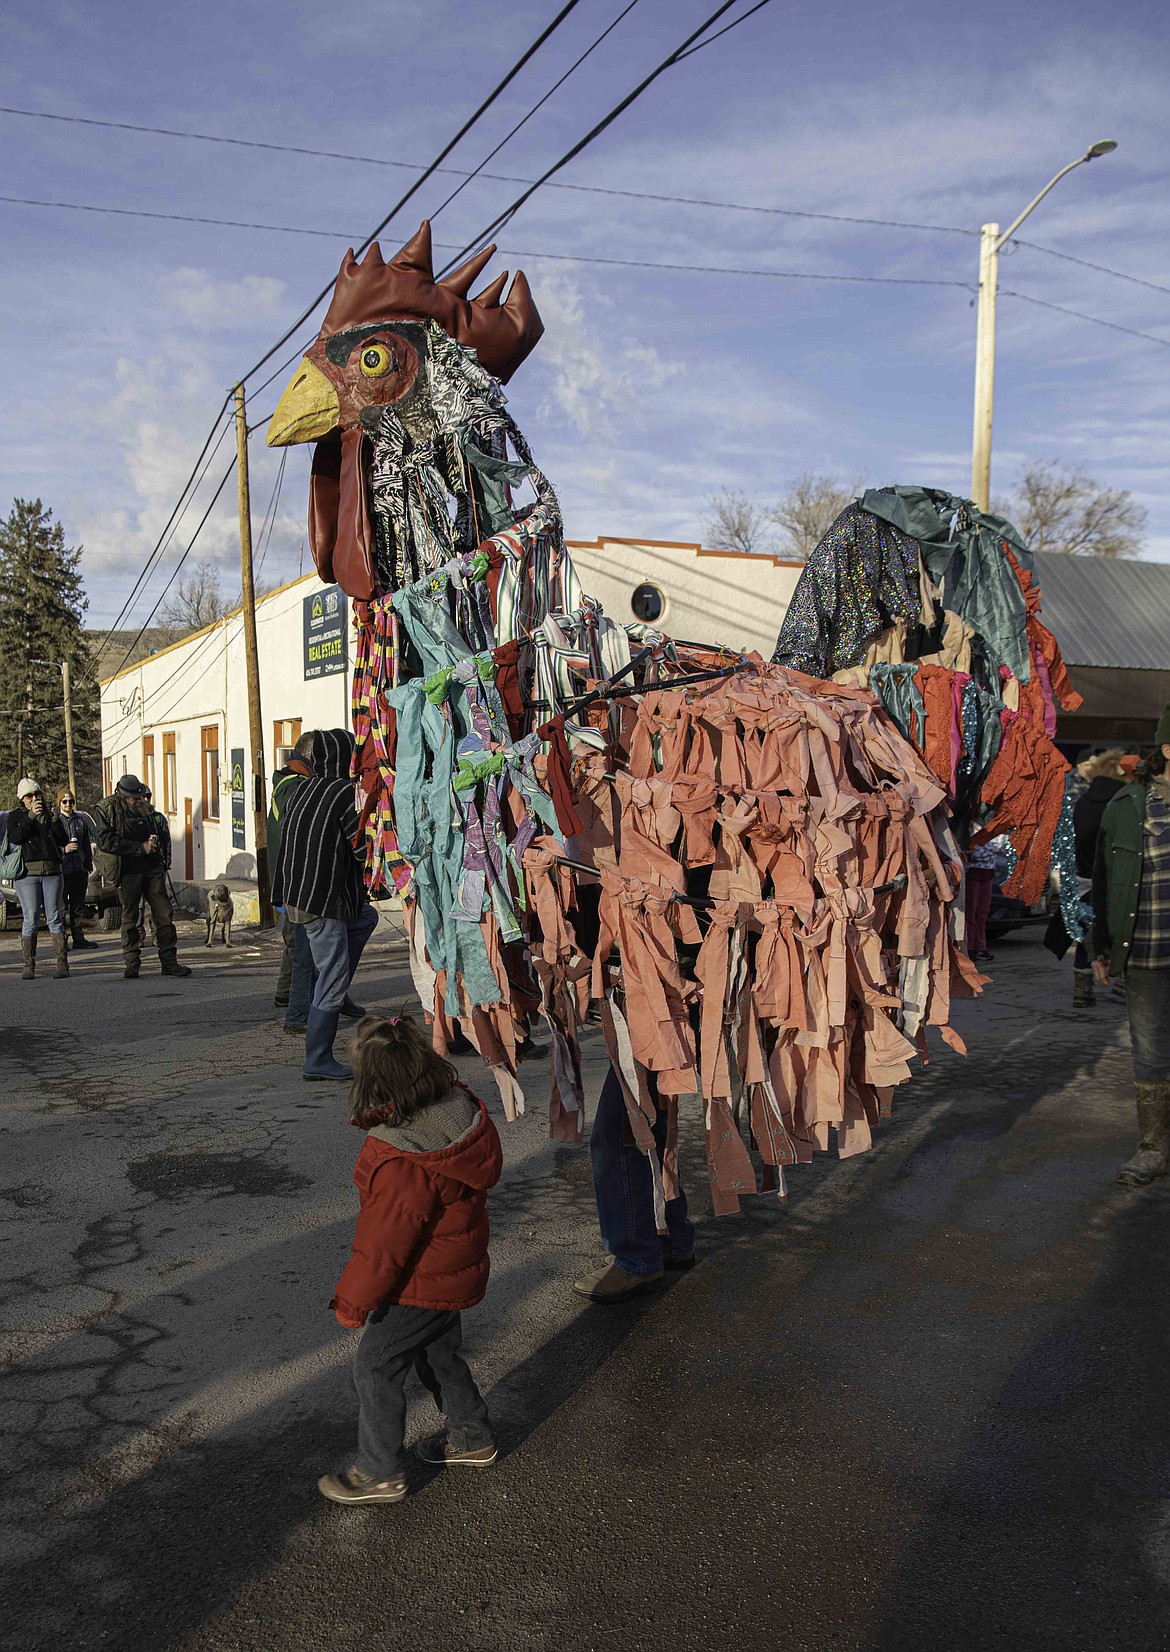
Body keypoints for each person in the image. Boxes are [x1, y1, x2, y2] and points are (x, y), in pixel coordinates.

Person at [319, 1015, 502, 1506]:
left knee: (375, 1368)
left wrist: (353, 1304)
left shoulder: (400, 1158)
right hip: (451, 1271)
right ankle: (471, 1436)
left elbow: (383, 1248)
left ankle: (378, 1471)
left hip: (416, 1283)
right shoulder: (456, 1111)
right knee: (439, 1355)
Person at [271, 728, 377, 1080]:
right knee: (331, 974)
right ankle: (317, 1059)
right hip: (323, 898)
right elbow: (358, 844)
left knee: (365, 919)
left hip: (299, 894)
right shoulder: (342, 793)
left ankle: (338, 990)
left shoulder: (304, 789)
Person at [1092, 711, 1170, 1186]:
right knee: (1153, 1053)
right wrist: (1100, 948)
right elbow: (1104, 882)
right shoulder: (1127, 804)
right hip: (1146, 953)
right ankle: (1154, 1148)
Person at [573, 1066, 695, 1302]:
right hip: (652, 1035)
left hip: (642, 1036)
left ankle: (637, 1257)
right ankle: (671, 1239)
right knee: (650, 1124)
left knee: (620, 1136)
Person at [95, 774, 191, 981]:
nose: (139, 800)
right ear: (122, 796)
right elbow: (105, 840)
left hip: (152, 866)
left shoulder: (145, 809)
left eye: (141, 797)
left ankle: (169, 962)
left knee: (164, 913)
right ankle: (132, 963)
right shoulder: (106, 809)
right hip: (127, 869)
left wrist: (153, 844)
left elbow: (156, 830)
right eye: (135, 797)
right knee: (130, 916)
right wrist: (139, 848)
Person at [1071, 750, 1127, 1008]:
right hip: (1112, 877)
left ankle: (1082, 987)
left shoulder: (1083, 801)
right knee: (1119, 929)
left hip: (1082, 877)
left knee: (1085, 934)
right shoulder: (1122, 803)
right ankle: (1124, 981)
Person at [267, 734, 315, 1020]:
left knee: (297, 939)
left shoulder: (288, 784)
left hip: (289, 879)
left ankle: (287, 994)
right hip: (293, 879)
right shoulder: (294, 788)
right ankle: (292, 1002)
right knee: (297, 941)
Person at [8, 778, 71, 980]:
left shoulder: (49, 814)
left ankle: (62, 963)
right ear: (22, 799)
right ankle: (29, 965)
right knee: (31, 918)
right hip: (27, 874)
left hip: (52, 872)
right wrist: (30, 817)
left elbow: (63, 839)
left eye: (37, 795)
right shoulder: (16, 816)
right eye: (29, 796)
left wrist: (53, 820)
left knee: (54, 916)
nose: (35, 799)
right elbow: (15, 837)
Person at [54, 786, 95, 950]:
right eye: (64, 802)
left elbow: (86, 843)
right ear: (60, 803)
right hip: (63, 870)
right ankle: (62, 939)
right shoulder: (55, 821)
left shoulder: (80, 820)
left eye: (70, 801)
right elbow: (50, 846)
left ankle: (79, 938)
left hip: (79, 869)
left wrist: (88, 863)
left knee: (77, 907)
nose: (68, 804)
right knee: (61, 907)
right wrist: (63, 850)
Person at [965, 840, 996, 965]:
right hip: (973, 871)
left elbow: (998, 847)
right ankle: (970, 947)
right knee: (971, 911)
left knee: (983, 911)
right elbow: (972, 852)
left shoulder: (993, 829)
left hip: (988, 871)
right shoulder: (969, 827)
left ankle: (981, 946)